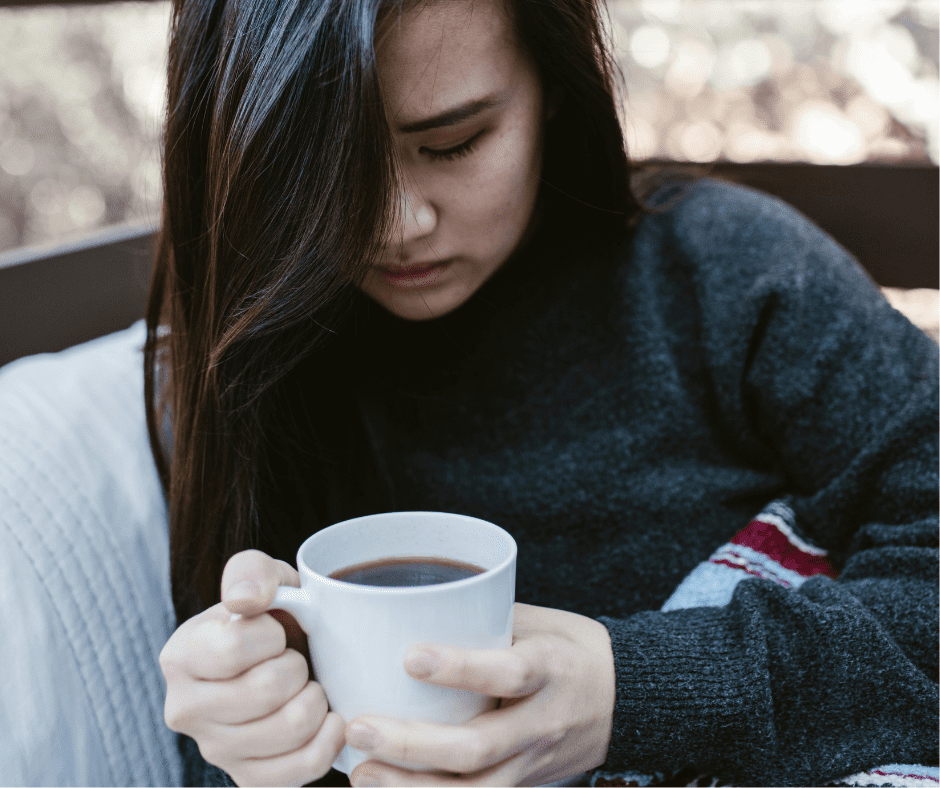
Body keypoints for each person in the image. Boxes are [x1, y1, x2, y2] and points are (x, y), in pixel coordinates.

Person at [146, 0, 938, 784]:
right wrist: (243, 739)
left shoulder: (731, 278)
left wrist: (632, 693)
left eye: (454, 143)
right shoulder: (248, 364)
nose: (396, 221)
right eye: (325, 168)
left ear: (553, 83)